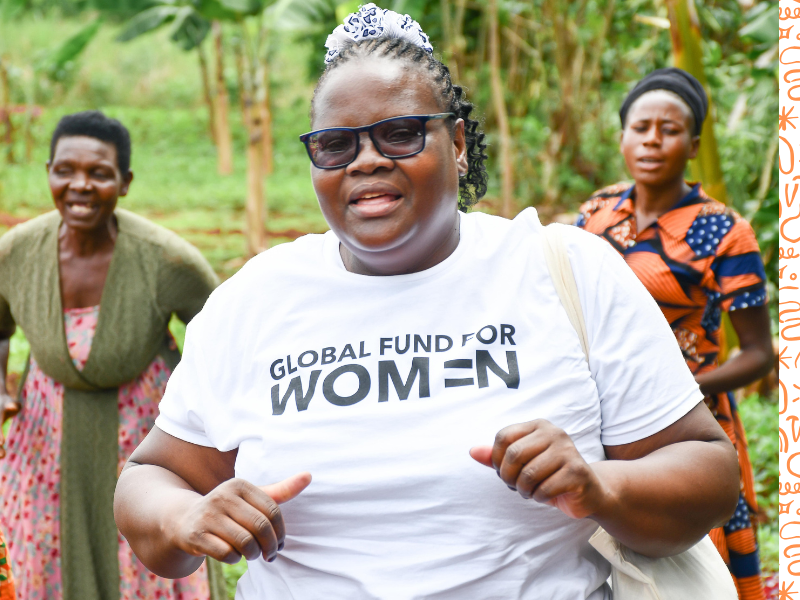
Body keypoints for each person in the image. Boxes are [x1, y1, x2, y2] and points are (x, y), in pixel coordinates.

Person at [115, 7, 740, 599]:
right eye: (335, 144)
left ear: (458, 143)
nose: (365, 161)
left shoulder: (564, 270)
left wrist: (600, 485)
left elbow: (708, 474)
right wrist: (183, 516)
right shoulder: (255, 299)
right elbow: (150, 478)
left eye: (400, 134)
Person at [0, 111, 225, 600]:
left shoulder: (166, 259)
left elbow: (224, 337)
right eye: (65, 171)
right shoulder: (16, 254)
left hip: (138, 434)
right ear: (48, 173)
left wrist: (203, 416)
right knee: (44, 550)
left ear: (124, 182)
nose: (80, 185)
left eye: (99, 173)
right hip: (45, 439)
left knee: (141, 555)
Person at [576, 68, 774, 600]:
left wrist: (688, 389)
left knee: (699, 562)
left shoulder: (724, 230)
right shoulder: (596, 214)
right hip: (606, 414)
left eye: (669, 130)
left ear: (693, 145)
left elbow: (759, 353)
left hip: (691, 422)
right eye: (641, 128)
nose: (652, 140)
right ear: (622, 137)